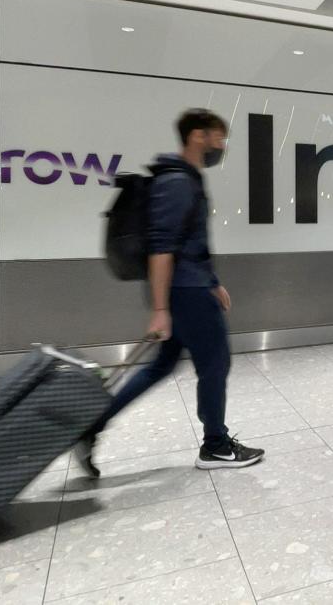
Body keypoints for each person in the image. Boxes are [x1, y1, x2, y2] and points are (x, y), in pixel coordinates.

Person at [77, 109, 264, 476]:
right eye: (218, 138)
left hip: (190, 286)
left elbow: (187, 245)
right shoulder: (177, 182)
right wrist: (161, 308)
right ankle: (216, 446)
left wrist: (212, 281)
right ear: (198, 136)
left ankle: (90, 426)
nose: (221, 146)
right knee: (215, 364)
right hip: (185, 294)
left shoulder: (183, 179)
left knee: (161, 365)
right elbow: (161, 249)